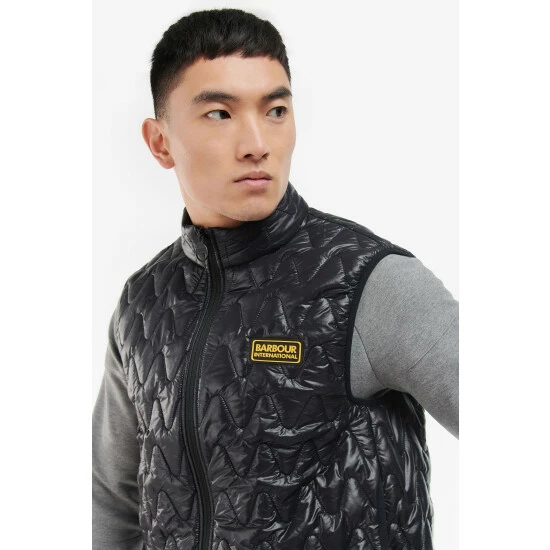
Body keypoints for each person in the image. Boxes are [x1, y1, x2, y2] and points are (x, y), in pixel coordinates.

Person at [92, 8, 458, 550]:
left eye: (276, 110)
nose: (256, 142)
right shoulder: (143, 304)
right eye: (220, 113)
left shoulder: (371, 284)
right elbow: (113, 499)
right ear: (160, 142)